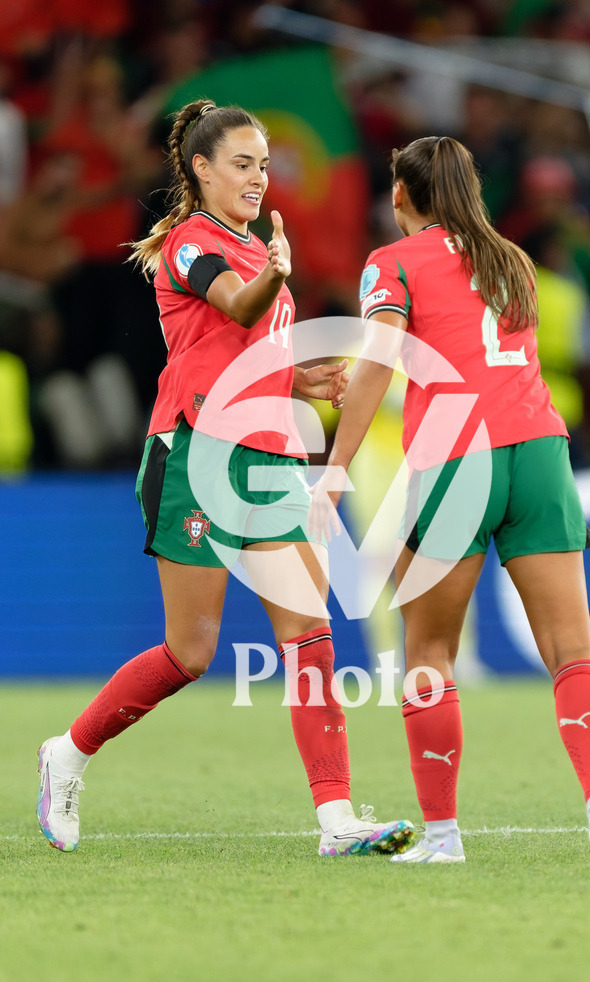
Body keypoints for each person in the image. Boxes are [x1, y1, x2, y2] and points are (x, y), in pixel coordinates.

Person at [36, 99, 414, 858]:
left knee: (310, 637)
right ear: (201, 169)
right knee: (191, 653)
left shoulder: (253, 246)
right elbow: (237, 307)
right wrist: (275, 275)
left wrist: (303, 380)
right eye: (242, 164)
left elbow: (248, 351)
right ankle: (68, 753)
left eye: (265, 165)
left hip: (269, 461)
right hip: (195, 459)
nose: (257, 178)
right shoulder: (188, 243)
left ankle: (336, 822)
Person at [311, 135, 590, 865]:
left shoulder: (391, 263)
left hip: (456, 458)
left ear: (400, 196)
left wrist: (335, 466)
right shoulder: (515, 261)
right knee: (573, 651)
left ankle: (442, 838)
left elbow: (377, 364)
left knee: (428, 652)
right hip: (538, 450)